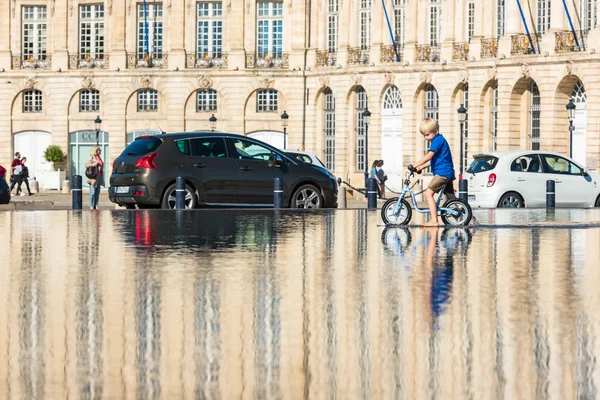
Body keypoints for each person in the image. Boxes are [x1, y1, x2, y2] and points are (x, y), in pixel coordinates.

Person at [409, 118, 456, 226]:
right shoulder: (439, 140)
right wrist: (420, 168)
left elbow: (430, 155)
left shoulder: (438, 140)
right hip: (446, 172)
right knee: (452, 199)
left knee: (428, 194)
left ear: (436, 131)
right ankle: (469, 217)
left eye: (427, 135)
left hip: (442, 174)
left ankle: (434, 220)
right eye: (424, 135)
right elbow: (433, 161)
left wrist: (416, 164)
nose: (426, 138)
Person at [86, 146, 104, 210]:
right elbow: (87, 164)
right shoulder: (92, 157)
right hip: (93, 177)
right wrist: (95, 163)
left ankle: (96, 204)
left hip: (99, 175)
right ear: (96, 150)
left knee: (97, 192)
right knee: (92, 191)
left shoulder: (99, 157)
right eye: (99, 150)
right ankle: (91, 204)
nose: (100, 151)